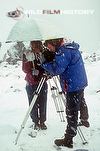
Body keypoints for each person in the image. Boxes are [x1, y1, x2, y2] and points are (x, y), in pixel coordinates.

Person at [42, 39, 89, 148]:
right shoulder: (70, 48)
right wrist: (54, 56)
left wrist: (45, 62)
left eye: (49, 47)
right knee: (80, 101)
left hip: (72, 85)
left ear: (54, 43)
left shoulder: (63, 51)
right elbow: (65, 65)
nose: (49, 49)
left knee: (71, 111)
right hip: (79, 82)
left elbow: (57, 69)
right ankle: (85, 120)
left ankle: (69, 139)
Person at [22, 41, 48, 130]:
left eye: (37, 45)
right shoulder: (27, 54)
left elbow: (46, 67)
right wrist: (28, 63)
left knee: (43, 103)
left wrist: (41, 69)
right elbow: (24, 69)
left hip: (42, 82)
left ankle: (42, 121)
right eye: (34, 45)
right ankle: (35, 122)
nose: (36, 47)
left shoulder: (43, 54)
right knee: (33, 104)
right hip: (31, 83)